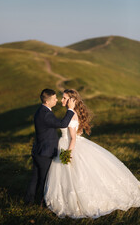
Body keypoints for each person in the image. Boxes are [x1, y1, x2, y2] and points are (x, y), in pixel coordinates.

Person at [44, 89, 140, 219]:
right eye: (62, 98)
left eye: (64, 98)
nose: (62, 100)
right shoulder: (73, 113)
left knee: (74, 175)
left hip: (69, 146)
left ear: (72, 100)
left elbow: (72, 138)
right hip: (71, 143)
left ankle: (76, 201)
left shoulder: (71, 115)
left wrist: (68, 154)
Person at [25, 88, 75, 205]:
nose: (57, 100)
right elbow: (62, 124)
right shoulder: (46, 114)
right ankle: (43, 203)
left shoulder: (41, 110)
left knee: (35, 178)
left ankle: (29, 201)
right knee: (44, 179)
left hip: (38, 150)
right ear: (47, 101)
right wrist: (71, 110)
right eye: (54, 98)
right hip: (45, 153)